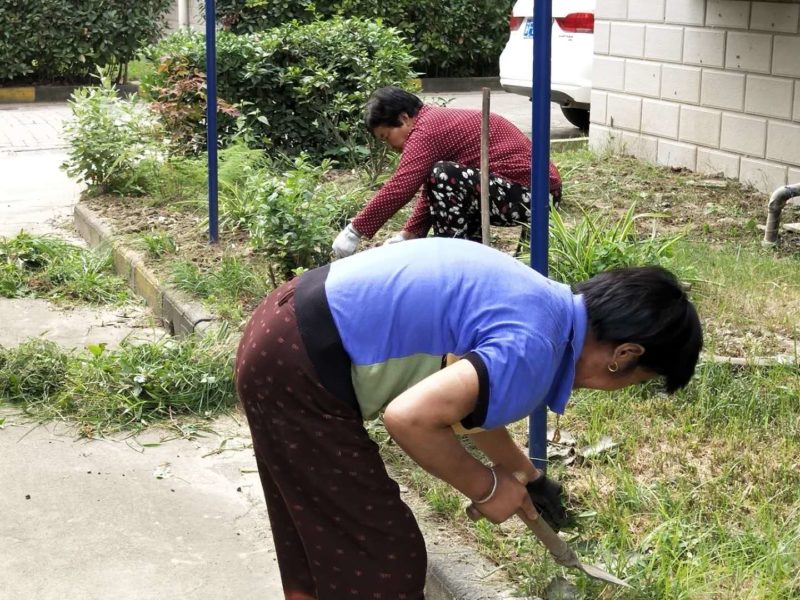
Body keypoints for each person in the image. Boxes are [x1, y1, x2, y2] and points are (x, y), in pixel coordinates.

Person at [235, 238, 702, 599]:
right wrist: (487, 487)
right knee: (383, 557)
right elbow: (410, 418)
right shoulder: (535, 348)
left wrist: (527, 476)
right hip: (298, 365)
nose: (621, 389)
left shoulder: (541, 306)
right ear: (624, 355)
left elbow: (460, 396)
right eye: (639, 380)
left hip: (283, 330)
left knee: (318, 537)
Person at [332, 86, 563, 258]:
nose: (390, 146)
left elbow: (402, 186)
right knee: (442, 177)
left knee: (443, 174)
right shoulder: (432, 123)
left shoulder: (426, 130)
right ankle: (470, 261)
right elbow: (433, 190)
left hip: (536, 197)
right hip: (524, 192)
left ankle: (453, 261)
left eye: (386, 137)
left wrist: (355, 231)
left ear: (404, 118)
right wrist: (408, 234)